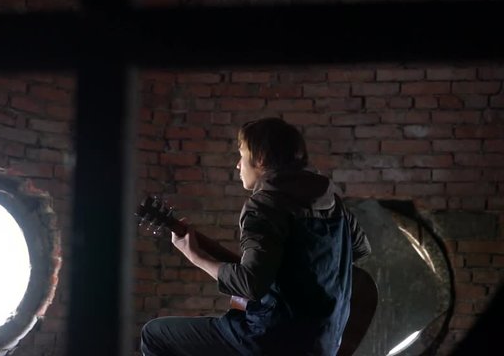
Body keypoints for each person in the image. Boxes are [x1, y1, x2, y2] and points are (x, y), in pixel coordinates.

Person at [141, 117, 371, 356]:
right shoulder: (332, 201)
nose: (238, 165)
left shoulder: (264, 205)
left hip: (269, 341)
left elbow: (250, 285)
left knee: (155, 334)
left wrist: (195, 255)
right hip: (325, 341)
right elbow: (360, 248)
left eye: (241, 155)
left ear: (260, 158)